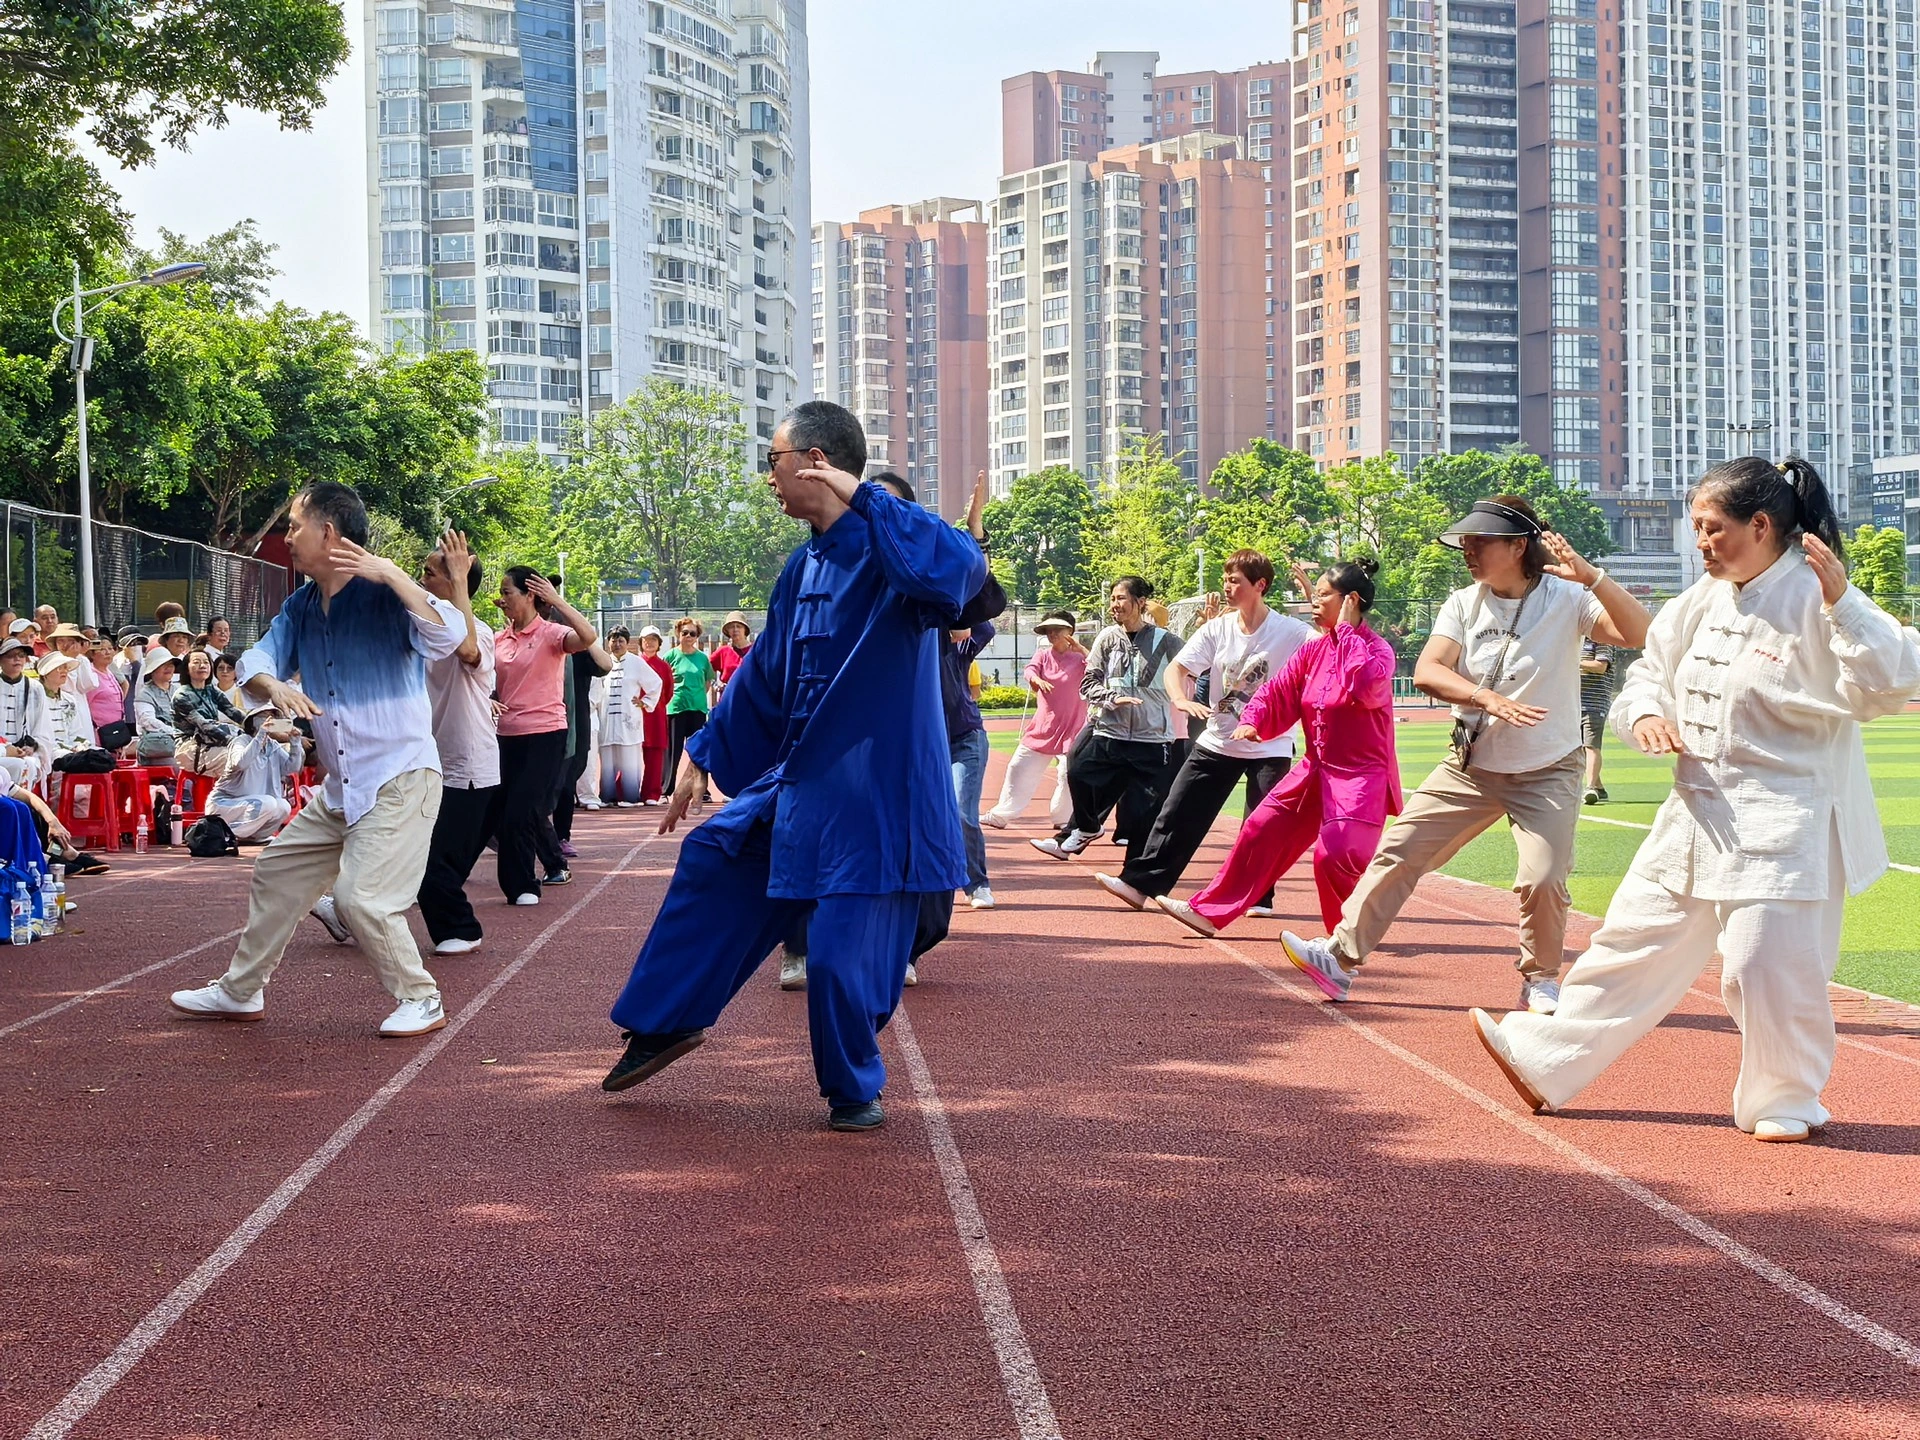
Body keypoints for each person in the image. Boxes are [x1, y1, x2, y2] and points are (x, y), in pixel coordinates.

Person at [1471, 458, 1920, 1141]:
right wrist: (1646, 713)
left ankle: (1786, 1097)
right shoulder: (1704, 597)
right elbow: (1650, 668)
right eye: (1696, 529)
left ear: (1761, 526)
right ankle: (1546, 1056)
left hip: (1786, 818)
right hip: (1696, 809)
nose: (1702, 543)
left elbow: (1892, 683)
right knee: (1630, 939)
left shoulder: (1817, 594)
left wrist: (1847, 602)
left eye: (1712, 529)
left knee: (1765, 967)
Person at [600, 401, 985, 1133]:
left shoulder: (892, 548)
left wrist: (864, 492)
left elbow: (962, 571)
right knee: (714, 854)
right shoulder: (801, 564)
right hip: (803, 785)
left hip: (878, 800)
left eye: (773, 461)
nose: (767, 477)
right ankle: (666, 1022)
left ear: (814, 462)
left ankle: (853, 1089)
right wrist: (701, 751)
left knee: (839, 965)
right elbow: (765, 675)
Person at [1280, 495, 1652, 1015]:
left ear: (1519, 546)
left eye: (1481, 542)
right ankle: (1339, 957)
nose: (1468, 551)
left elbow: (1639, 634)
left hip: (1547, 769)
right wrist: (1485, 697)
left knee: (1542, 879)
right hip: (1470, 765)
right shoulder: (1463, 602)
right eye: (1466, 542)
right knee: (1400, 851)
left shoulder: (1568, 597)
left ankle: (1541, 979)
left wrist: (1592, 577)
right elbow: (1430, 670)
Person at [168, 480, 464, 1038]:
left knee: (362, 900)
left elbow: (451, 636)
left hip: (400, 780)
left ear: (328, 531)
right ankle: (240, 991)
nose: (287, 537)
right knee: (277, 872)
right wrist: (271, 685)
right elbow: (258, 659)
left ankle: (421, 997)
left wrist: (394, 574)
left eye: (293, 525)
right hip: (341, 788)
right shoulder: (301, 605)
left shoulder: (386, 595)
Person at [1153, 562, 1401, 938]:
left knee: (1335, 856)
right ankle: (1208, 911)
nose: (1313, 602)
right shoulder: (1315, 651)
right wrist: (1255, 718)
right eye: (1314, 594)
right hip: (1315, 768)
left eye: (1322, 595)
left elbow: (1365, 688)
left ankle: (1345, 944)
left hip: (1360, 776)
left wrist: (1348, 631)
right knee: (1260, 829)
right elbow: (1277, 690)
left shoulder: (1377, 651)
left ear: (1351, 601)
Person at [1090, 549, 1314, 914]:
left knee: (1263, 825)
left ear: (1260, 586)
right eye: (1224, 579)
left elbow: (1333, 644)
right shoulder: (1217, 628)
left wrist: (1311, 600)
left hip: (1269, 742)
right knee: (1177, 811)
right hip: (1218, 739)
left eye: (1235, 581)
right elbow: (1177, 669)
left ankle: (1258, 896)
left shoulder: (1290, 631)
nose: (1226, 587)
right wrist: (1180, 698)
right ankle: (1139, 884)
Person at [1031, 577, 1185, 863]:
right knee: (1076, 770)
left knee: (1142, 813)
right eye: (1112, 598)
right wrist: (1111, 698)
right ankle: (1087, 828)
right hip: (1109, 730)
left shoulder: (1168, 641)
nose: (1114, 605)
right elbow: (1088, 683)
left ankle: (1133, 876)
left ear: (1140, 603)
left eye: (1121, 598)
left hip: (1151, 738)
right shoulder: (1107, 637)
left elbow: (1197, 667)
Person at [405, 530, 500, 956]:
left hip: (469, 767)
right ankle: (357, 909)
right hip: (425, 763)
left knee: (432, 866)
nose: (422, 579)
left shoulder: (479, 631)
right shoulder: (420, 631)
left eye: (429, 573)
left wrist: (460, 579)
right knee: (411, 855)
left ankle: (461, 928)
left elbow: (466, 650)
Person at [492, 565, 596, 904]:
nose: (502, 598)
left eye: (508, 592)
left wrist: (558, 601)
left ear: (530, 596)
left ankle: (524, 885)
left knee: (522, 809)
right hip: (506, 735)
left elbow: (588, 637)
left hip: (546, 734)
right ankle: (518, 883)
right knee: (506, 811)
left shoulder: (552, 634)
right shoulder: (499, 639)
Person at [982, 611, 1087, 831]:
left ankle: (1063, 818)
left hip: (1073, 728)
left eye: (1057, 630)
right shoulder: (1042, 655)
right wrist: (1036, 679)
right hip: (1043, 727)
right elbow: (1030, 670)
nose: (1052, 635)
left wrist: (1082, 650)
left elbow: (1100, 669)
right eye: (1049, 631)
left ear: (1071, 632)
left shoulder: (1082, 658)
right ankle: (1001, 814)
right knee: (1018, 766)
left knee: (1068, 773)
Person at [207, 699, 304, 841]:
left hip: (255, 805)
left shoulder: (273, 746)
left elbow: (292, 768)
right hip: (225, 804)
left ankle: (254, 836)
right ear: (253, 721)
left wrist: (295, 742)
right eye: (265, 716)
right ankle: (225, 835)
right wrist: (261, 735)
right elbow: (241, 763)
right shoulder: (240, 741)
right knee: (268, 803)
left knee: (283, 806)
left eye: (274, 716)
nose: (270, 719)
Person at [596, 627, 663, 805]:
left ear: (627, 643)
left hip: (629, 718)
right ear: (607, 642)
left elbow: (656, 683)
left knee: (630, 759)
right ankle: (607, 796)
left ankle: (630, 797)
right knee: (607, 759)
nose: (617, 644)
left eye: (621, 641)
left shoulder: (637, 663)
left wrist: (645, 702)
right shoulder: (602, 662)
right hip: (607, 718)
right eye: (613, 640)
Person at [172, 647, 245, 780]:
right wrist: (234, 741)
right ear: (186, 669)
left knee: (255, 755)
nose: (202, 665)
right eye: (196, 662)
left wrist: (256, 726)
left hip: (212, 743)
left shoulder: (211, 689)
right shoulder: (181, 695)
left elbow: (233, 712)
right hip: (190, 748)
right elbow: (203, 725)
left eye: (206, 662)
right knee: (240, 758)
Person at [664, 618, 714, 789]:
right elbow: (662, 680)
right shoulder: (670, 656)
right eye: (684, 632)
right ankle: (666, 788)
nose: (688, 636)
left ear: (697, 636)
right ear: (678, 633)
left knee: (698, 751)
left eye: (692, 633)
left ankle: (700, 789)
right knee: (673, 751)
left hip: (698, 709)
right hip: (676, 708)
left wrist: (696, 695)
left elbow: (707, 682)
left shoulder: (702, 658)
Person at [0, 637, 52, 785]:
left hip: (23, 749)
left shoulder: (35, 687)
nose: (17, 659)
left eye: (21, 655)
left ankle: (24, 805)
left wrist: (33, 746)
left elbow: (43, 725)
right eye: (10, 656)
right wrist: (5, 748)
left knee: (28, 763)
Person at [636, 626, 676, 804]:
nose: (649, 642)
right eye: (646, 639)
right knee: (630, 754)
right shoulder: (634, 663)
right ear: (640, 642)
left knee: (655, 755)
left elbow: (668, 692)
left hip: (656, 716)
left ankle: (651, 793)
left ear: (659, 643)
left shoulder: (664, 666)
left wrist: (654, 706)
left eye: (653, 639)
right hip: (635, 716)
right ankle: (625, 792)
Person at [1578, 636, 1616, 804]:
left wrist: (1572, 662)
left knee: (1591, 745)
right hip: (1573, 701)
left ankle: (1591, 787)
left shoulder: (1602, 641)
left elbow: (1600, 667)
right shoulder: (1574, 640)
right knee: (1577, 748)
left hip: (1594, 702)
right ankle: (1599, 787)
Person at [84, 636, 125, 738]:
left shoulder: (109, 672)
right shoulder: (90, 675)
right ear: (92, 654)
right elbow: (85, 705)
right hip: (99, 733)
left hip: (116, 731)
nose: (108, 652)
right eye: (102, 649)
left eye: (110, 648)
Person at [710, 611, 753, 696]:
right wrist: (715, 684)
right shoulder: (723, 651)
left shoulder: (755, 651)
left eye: (739, 626)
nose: (735, 629)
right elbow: (704, 668)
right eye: (731, 627)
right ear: (727, 631)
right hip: (728, 700)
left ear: (745, 630)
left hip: (750, 700)